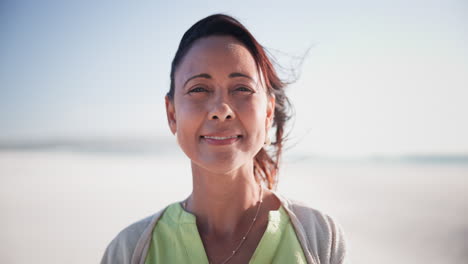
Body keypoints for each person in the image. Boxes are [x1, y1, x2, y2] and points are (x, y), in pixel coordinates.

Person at [101, 14, 346, 264]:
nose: (222, 109)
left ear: (268, 113)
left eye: (242, 88)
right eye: (198, 89)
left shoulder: (317, 238)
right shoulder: (131, 250)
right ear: (172, 113)